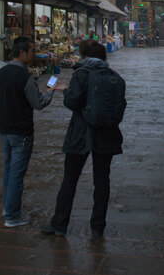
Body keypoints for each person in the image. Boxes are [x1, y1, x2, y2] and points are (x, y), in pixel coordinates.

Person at [41, 40, 124, 238]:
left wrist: (65, 91)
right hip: (107, 135)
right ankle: (97, 227)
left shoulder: (81, 73)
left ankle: (59, 224)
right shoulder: (114, 77)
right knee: (102, 181)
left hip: (81, 132)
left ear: (84, 56)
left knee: (70, 179)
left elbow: (73, 102)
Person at [0, 37, 67, 228]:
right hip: (21, 132)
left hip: (4, 130)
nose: (34, 54)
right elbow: (38, 103)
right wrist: (51, 91)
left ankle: (8, 207)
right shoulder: (25, 78)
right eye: (32, 51)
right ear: (22, 53)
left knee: (8, 170)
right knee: (16, 174)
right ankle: (13, 216)